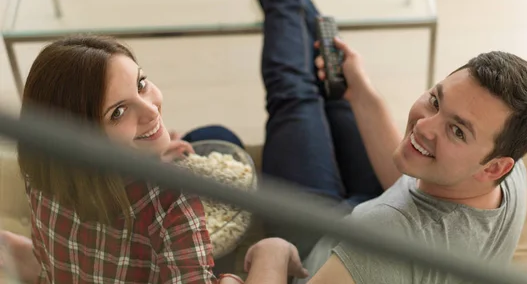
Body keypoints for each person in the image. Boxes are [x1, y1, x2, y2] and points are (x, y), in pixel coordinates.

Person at [240, 0, 527, 284]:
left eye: (457, 130)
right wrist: (364, 93)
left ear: (494, 167)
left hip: (323, 250)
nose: (424, 125)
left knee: (295, 94)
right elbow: (408, 186)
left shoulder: (383, 238)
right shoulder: (509, 163)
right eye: (436, 101)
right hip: (368, 211)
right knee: (339, 90)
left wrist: (272, 253)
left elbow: (392, 228)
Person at [1, 34, 307, 284]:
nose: (151, 110)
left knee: (210, 134)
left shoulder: (43, 169)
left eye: (141, 84)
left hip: (72, 268)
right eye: (118, 112)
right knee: (267, 250)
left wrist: (150, 156)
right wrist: (262, 262)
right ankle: (274, 251)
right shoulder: (172, 199)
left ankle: (32, 262)